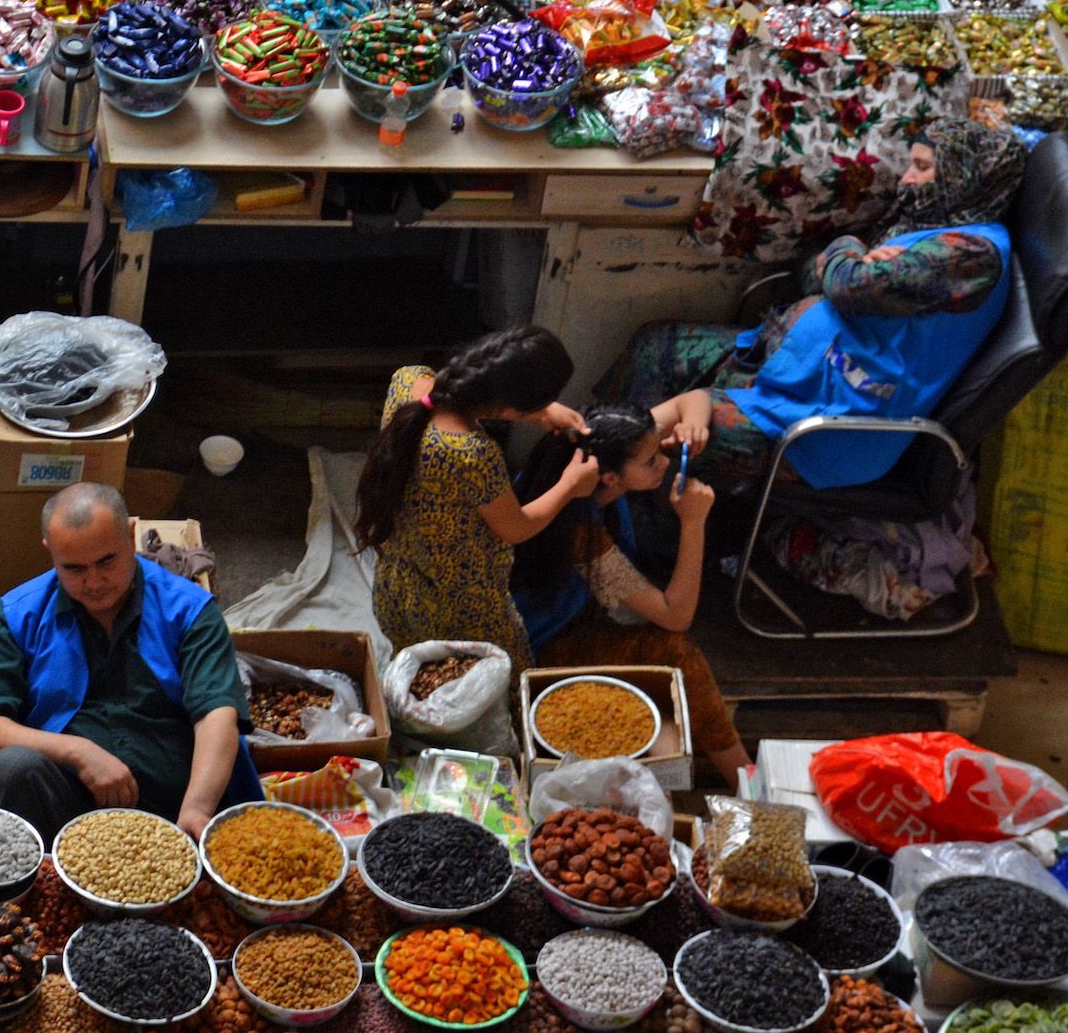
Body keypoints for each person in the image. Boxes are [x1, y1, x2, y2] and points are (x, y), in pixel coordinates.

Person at [602, 117, 1027, 493]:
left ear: (963, 177)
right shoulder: (924, 225)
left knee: (659, 443)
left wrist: (847, 250)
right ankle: (604, 478)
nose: (906, 180)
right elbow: (814, 270)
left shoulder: (970, 256)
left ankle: (627, 533)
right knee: (654, 346)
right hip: (794, 370)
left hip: (823, 424)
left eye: (922, 168)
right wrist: (847, 259)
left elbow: (846, 285)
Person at [0, 482, 260, 841]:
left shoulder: (188, 610)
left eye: (106, 561)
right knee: (11, 768)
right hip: (65, 804)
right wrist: (79, 752)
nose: (94, 582)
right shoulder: (17, 615)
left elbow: (216, 713)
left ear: (131, 535)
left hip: (175, 806)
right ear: (49, 552)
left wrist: (197, 809)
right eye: (74, 569)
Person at [510, 406, 751, 787]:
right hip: (549, 645)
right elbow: (676, 615)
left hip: (587, 611)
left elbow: (695, 398)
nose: (664, 462)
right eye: (652, 460)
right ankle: (747, 781)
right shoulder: (580, 532)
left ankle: (733, 774)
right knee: (675, 650)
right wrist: (693, 522)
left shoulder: (601, 444)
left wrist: (694, 424)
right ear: (609, 477)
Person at [355, 326, 595, 672]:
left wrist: (541, 410)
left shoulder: (408, 382)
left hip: (398, 589)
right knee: (497, 679)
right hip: (455, 606)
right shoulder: (471, 454)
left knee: (421, 676)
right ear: (510, 407)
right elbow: (517, 527)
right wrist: (570, 485)